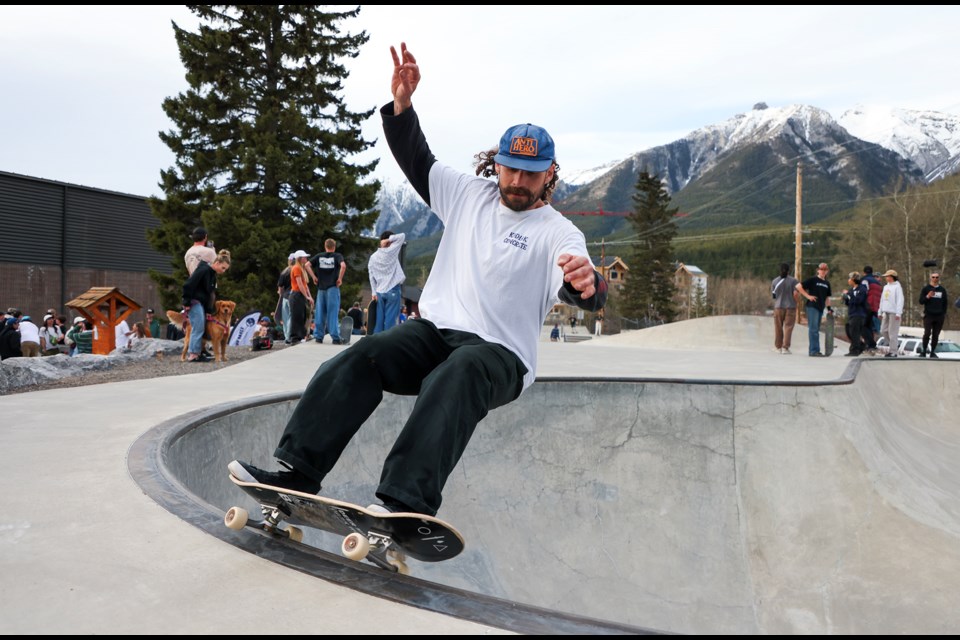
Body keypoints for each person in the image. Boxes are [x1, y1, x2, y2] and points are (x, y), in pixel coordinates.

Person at [228, 41, 607, 518]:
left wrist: (587, 283)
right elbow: (418, 160)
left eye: (531, 175)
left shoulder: (559, 231)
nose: (517, 182)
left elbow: (585, 284)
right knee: (362, 356)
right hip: (433, 333)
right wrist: (403, 107)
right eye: (510, 169)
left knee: (461, 371)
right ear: (498, 162)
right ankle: (297, 473)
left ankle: (403, 503)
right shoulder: (469, 194)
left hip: (501, 355)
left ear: (548, 174)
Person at [181, 249, 232, 362]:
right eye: (223, 268)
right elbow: (188, 285)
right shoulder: (203, 270)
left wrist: (208, 310)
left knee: (201, 326)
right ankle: (193, 354)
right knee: (198, 327)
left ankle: (198, 352)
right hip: (194, 302)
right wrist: (186, 302)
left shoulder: (212, 274)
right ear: (217, 263)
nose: (223, 271)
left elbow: (209, 294)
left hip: (200, 303)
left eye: (225, 269)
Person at [368, 230, 406, 334]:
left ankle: (376, 342)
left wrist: (373, 292)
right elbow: (402, 235)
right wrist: (389, 240)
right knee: (390, 322)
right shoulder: (392, 251)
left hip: (380, 292)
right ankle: (388, 345)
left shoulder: (373, 257)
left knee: (379, 321)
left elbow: (371, 276)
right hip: (393, 289)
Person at [310, 238, 347, 344]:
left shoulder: (319, 256)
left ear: (325, 246)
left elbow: (307, 265)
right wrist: (340, 278)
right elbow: (343, 266)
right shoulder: (337, 256)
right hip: (332, 288)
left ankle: (318, 336)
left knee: (320, 313)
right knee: (333, 312)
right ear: (334, 247)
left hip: (321, 288)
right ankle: (335, 337)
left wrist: (313, 277)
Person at [795, 262, 832, 357]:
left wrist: (829, 308)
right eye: (821, 269)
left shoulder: (827, 283)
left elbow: (827, 298)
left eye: (825, 270)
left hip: (820, 308)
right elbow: (798, 286)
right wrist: (807, 296)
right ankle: (814, 351)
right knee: (813, 329)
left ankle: (815, 350)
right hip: (812, 306)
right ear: (818, 270)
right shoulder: (813, 280)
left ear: (827, 271)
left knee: (816, 329)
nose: (823, 271)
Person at [918, 271, 949, 358]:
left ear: (939, 279)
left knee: (936, 335)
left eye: (937, 277)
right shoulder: (926, 289)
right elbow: (921, 301)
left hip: (939, 316)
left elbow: (945, 303)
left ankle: (932, 352)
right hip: (929, 315)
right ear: (930, 278)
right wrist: (928, 296)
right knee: (927, 333)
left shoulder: (942, 290)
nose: (935, 279)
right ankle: (924, 351)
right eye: (933, 277)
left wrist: (943, 313)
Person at [286, 250, 314, 344]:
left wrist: (309, 296)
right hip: (296, 294)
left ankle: (301, 336)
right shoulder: (297, 268)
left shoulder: (302, 268)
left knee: (302, 316)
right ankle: (294, 338)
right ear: (299, 258)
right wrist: (307, 296)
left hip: (300, 295)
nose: (306, 258)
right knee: (296, 317)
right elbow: (299, 284)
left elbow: (305, 285)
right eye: (304, 257)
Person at [771, 262, 799, 354]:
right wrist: (797, 303)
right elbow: (795, 294)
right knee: (788, 327)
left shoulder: (775, 281)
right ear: (788, 270)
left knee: (778, 327)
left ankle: (778, 347)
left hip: (778, 307)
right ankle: (785, 348)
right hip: (790, 307)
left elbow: (774, 296)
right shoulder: (794, 281)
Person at [841, 271, 869, 356]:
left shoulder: (862, 289)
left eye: (849, 279)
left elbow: (858, 300)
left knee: (854, 332)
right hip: (851, 313)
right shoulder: (851, 290)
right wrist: (845, 298)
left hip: (859, 314)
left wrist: (849, 296)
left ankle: (854, 350)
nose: (848, 281)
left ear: (854, 279)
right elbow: (849, 302)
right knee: (849, 330)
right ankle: (861, 346)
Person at [878, 269, 904, 357]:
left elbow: (900, 300)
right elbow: (882, 299)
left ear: (892, 277)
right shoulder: (886, 287)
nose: (886, 278)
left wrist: (898, 313)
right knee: (883, 330)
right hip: (886, 311)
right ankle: (894, 345)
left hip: (894, 312)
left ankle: (893, 351)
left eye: (888, 276)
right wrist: (880, 311)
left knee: (892, 332)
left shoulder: (897, 287)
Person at [862, 265, 883, 353]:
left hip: (867, 306)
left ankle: (871, 344)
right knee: (869, 327)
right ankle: (869, 346)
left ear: (864, 272)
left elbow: (863, 291)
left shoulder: (865, 280)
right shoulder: (878, 283)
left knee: (862, 326)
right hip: (875, 308)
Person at [277, 255, 294, 343]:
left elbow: (280, 286)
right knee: (291, 316)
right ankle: (289, 336)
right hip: (293, 295)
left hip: (285, 296)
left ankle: (286, 336)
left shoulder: (285, 271)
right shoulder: (296, 270)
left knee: (286, 317)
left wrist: (280, 294)